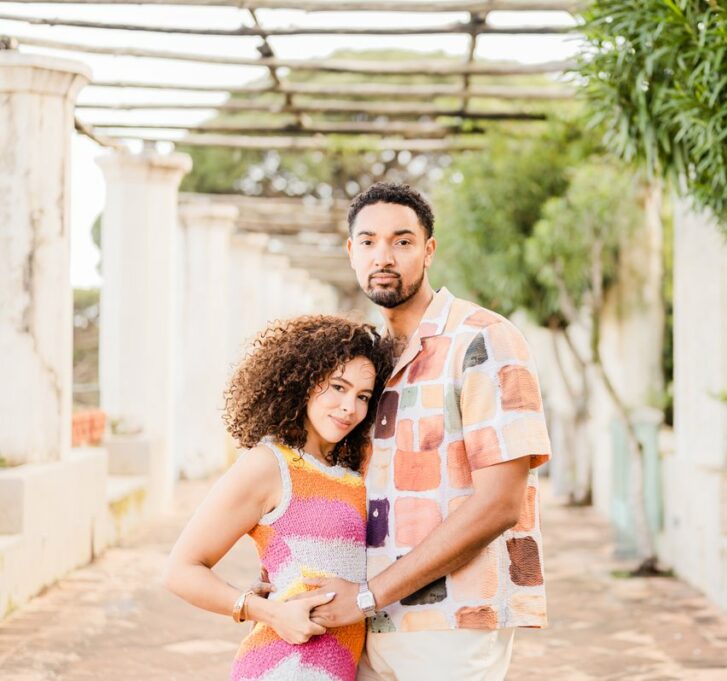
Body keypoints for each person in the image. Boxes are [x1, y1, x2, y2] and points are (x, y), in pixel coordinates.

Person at [297, 183, 553, 681]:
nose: (384, 256)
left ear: (429, 249)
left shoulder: (482, 340)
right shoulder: (364, 362)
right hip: (363, 619)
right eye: (368, 242)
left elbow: (500, 504)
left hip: (450, 622)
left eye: (403, 241)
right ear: (351, 252)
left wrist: (369, 595)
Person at [163, 315, 395, 680]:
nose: (350, 407)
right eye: (337, 386)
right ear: (304, 382)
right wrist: (268, 612)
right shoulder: (269, 465)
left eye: (362, 396)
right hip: (283, 666)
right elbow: (180, 570)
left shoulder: (354, 473)